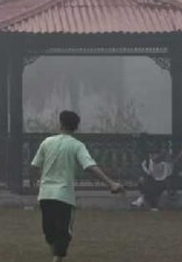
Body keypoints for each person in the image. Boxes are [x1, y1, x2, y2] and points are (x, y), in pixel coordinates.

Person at [30, 111, 123, 262]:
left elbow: (35, 166)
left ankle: (56, 257)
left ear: (60, 124)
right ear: (76, 127)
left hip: (45, 195)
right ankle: (57, 258)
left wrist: (35, 183)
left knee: (50, 233)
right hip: (64, 196)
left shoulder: (47, 142)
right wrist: (110, 183)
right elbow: (90, 166)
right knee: (63, 234)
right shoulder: (77, 145)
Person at [130, 144, 172, 210]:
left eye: (154, 153)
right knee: (145, 182)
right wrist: (141, 176)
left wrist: (156, 178)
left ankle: (144, 200)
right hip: (150, 182)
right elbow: (144, 171)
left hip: (162, 183)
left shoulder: (163, 163)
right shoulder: (146, 162)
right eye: (150, 153)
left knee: (153, 186)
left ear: (158, 154)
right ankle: (144, 200)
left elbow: (164, 176)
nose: (152, 155)